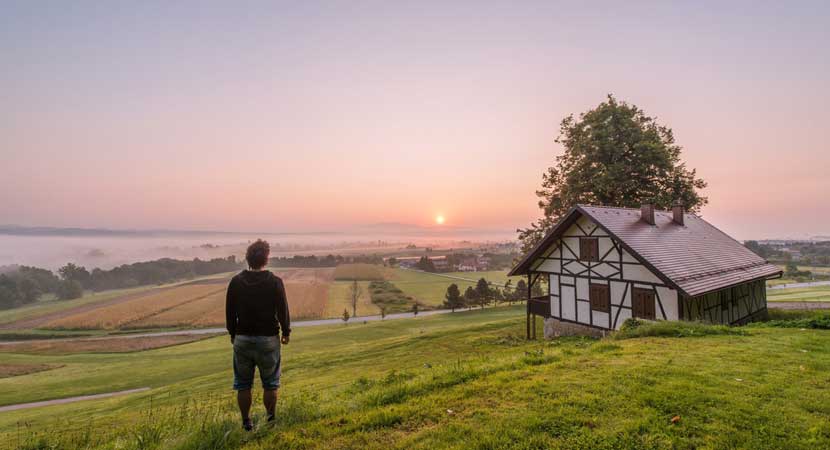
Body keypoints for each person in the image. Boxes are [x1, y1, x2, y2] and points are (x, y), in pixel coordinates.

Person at [226, 239, 290, 431]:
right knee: (270, 384)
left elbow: (230, 312)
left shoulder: (236, 282)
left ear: (247, 259)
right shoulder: (275, 282)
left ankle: (246, 423)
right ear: (266, 259)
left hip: (242, 339)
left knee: (243, 384)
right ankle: (270, 421)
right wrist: (286, 332)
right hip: (268, 339)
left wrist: (233, 334)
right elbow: (282, 310)